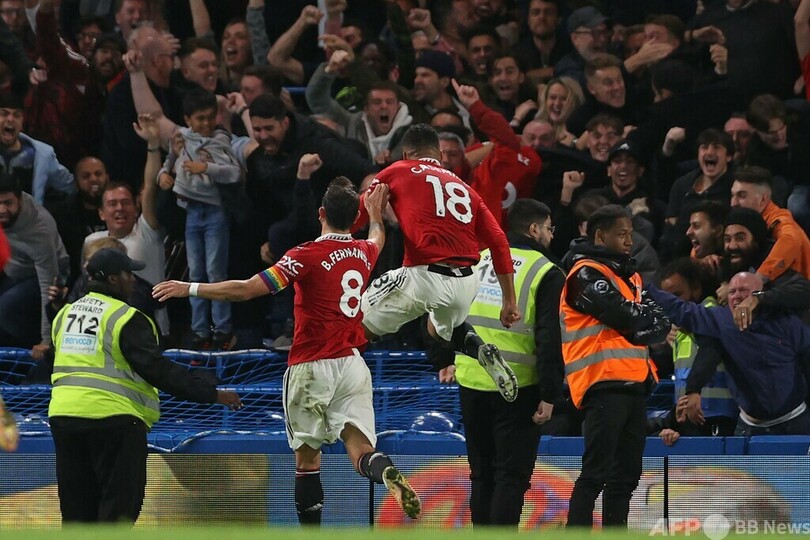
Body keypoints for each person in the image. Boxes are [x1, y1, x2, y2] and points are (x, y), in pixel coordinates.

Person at [152, 167, 421, 522]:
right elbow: (378, 237)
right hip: (353, 366)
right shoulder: (364, 252)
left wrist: (189, 287)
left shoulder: (305, 255)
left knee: (307, 462)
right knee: (360, 447)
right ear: (352, 217)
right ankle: (383, 469)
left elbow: (246, 289)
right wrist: (374, 215)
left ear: (321, 214)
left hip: (311, 367)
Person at [49, 248, 242, 523]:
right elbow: (158, 370)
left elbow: (57, 361)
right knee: (118, 512)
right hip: (114, 420)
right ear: (113, 279)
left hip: (64, 419)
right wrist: (211, 393)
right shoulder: (125, 317)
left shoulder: (64, 314)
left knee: (77, 512)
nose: (133, 280)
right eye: (128, 274)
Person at [354, 123, 522, 402]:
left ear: (406, 154)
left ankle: (340, 395)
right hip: (467, 282)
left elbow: (357, 215)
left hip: (424, 277)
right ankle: (479, 349)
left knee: (352, 327)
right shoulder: (465, 188)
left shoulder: (397, 170)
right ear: (440, 156)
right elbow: (499, 242)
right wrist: (509, 302)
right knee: (439, 330)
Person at [435, 199, 564, 527]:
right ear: (534, 229)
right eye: (549, 228)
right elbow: (549, 337)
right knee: (511, 476)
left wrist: (446, 358)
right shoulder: (546, 271)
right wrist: (550, 393)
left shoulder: (477, 260)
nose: (551, 235)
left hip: (471, 379)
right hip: (518, 387)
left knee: (481, 475)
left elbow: (445, 311)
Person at [560, 204, 670, 529]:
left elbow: (660, 324)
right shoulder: (584, 274)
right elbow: (628, 317)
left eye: (630, 234)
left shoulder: (630, 276)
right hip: (602, 384)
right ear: (599, 236)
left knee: (626, 477)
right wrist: (638, 323)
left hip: (635, 385)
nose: (629, 241)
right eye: (621, 234)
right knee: (595, 474)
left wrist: (638, 323)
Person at [648, 272, 810, 436]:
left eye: (743, 290)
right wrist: (643, 287)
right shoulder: (722, 320)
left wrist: (760, 299)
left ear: (760, 293)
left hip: (794, 421)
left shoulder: (786, 322)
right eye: (732, 292)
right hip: (749, 427)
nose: (737, 296)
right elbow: (680, 310)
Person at [158, 88, 241, 350]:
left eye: (209, 117)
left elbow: (233, 172)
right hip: (191, 211)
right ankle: (199, 329)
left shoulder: (220, 140)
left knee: (215, 272)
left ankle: (222, 328)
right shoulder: (181, 138)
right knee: (195, 273)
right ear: (188, 119)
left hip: (215, 211)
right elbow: (170, 161)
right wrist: (163, 175)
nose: (205, 123)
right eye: (199, 118)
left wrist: (205, 167)